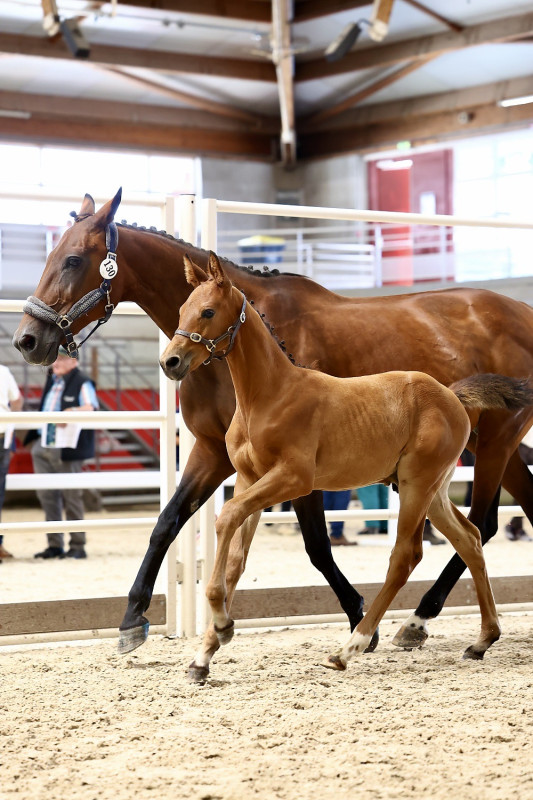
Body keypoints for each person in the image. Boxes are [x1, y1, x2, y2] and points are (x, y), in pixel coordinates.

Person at [25, 347, 98, 560]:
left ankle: (77, 545)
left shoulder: (83, 381)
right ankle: (54, 544)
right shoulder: (53, 380)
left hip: (67, 445)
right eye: (54, 359)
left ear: (73, 362)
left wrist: (71, 412)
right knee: (47, 496)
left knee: (71, 496)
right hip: (43, 442)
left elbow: (91, 407)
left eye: (61, 359)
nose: (55, 362)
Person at [0, 364, 23, 561]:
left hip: (2, 438)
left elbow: (17, 400)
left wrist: (10, 429)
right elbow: (16, 401)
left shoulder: (3, 371)